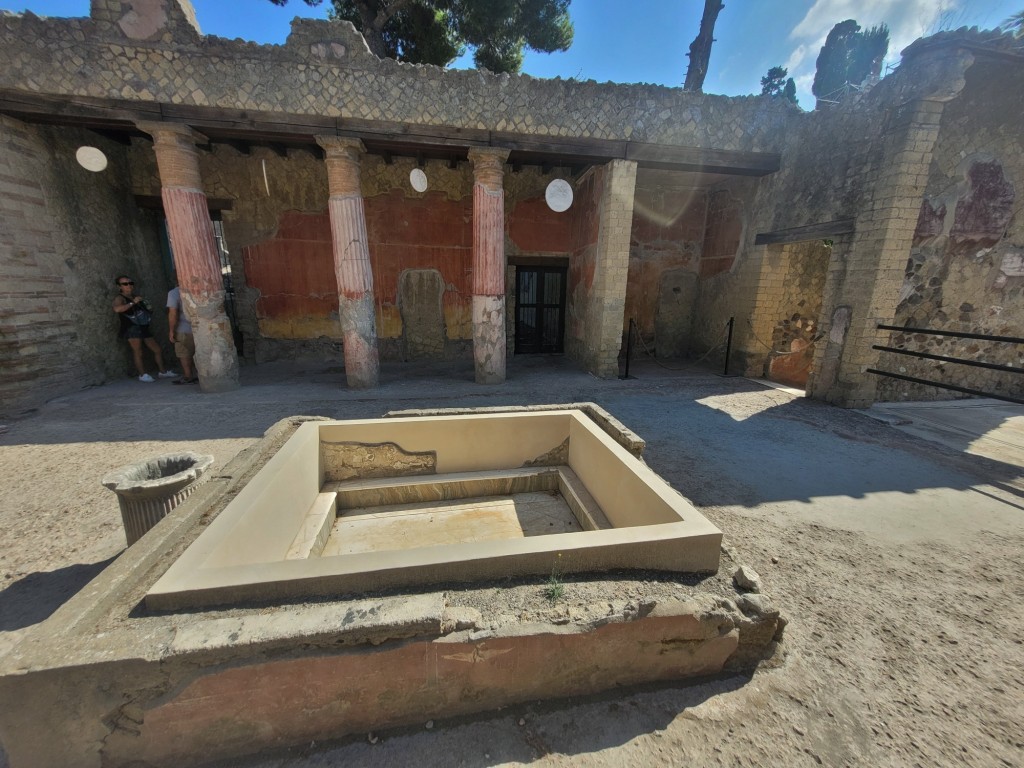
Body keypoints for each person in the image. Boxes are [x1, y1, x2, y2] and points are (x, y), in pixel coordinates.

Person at [112, 275, 176, 382]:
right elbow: (117, 309)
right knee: (138, 352)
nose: (129, 285)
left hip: (143, 326)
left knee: (157, 349)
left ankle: (162, 372)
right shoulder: (120, 298)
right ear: (119, 286)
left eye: (130, 283)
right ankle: (142, 375)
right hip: (131, 327)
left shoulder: (135, 296)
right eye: (125, 284)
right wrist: (133, 303)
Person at [167, 285, 198, 385]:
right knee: (198, 352)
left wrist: (171, 330)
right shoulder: (198, 289)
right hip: (200, 328)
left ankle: (188, 376)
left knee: (184, 354)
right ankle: (201, 375)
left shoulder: (174, 293)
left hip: (183, 328)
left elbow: (173, 313)